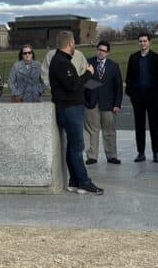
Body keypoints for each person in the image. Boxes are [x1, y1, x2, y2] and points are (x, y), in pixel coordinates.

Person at [48, 31, 102, 195]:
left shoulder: (61, 61)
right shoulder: (61, 63)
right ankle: (84, 182)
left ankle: (74, 181)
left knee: (73, 146)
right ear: (70, 43)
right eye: (74, 44)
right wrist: (88, 73)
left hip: (68, 108)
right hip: (70, 109)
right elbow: (73, 85)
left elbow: (72, 84)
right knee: (77, 146)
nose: (75, 47)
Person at [84, 41, 123, 165]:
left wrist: (117, 104)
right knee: (92, 131)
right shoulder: (88, 63)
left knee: (109, 130)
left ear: (108, 52)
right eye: (99, 49)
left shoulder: (114, 66)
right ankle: (92, 156)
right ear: (96, 50)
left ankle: (111, 155)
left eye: (104, 51)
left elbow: (118, 87)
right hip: (91, 102)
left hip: (108, 104)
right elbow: (83, 82)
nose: (101, 52)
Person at [125, 32, 158, 162]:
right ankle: (141, 152)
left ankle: (156, 152)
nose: (143, 43)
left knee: (154, 125)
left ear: (149, 42)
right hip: (138, 97)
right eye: (140, 41)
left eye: (145, 41)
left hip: (153, 97)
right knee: (139, 126)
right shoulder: (133, 57)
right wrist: (131, 94)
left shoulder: (156, 57)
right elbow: (129, 77)